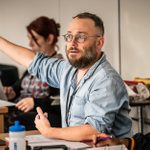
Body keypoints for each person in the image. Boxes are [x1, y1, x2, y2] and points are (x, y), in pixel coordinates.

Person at [0, 12, 132, 141]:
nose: (72, 43)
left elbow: (94, 131)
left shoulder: (106, 80)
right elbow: (35, 62)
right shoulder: (68, 69)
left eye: (80, 37)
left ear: (99, 43)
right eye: (69, 36)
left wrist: (49, 131)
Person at [3, 16, 62, 131]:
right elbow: (19, 86)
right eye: (29, 38)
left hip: (42, 112)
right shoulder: (33, 64)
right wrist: (12, 91)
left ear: (49, 39)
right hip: (21, 109)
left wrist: (35, 102)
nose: (30, 44)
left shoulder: (59, 67)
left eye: (35, 39)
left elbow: (60, 100)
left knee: (11, 120)